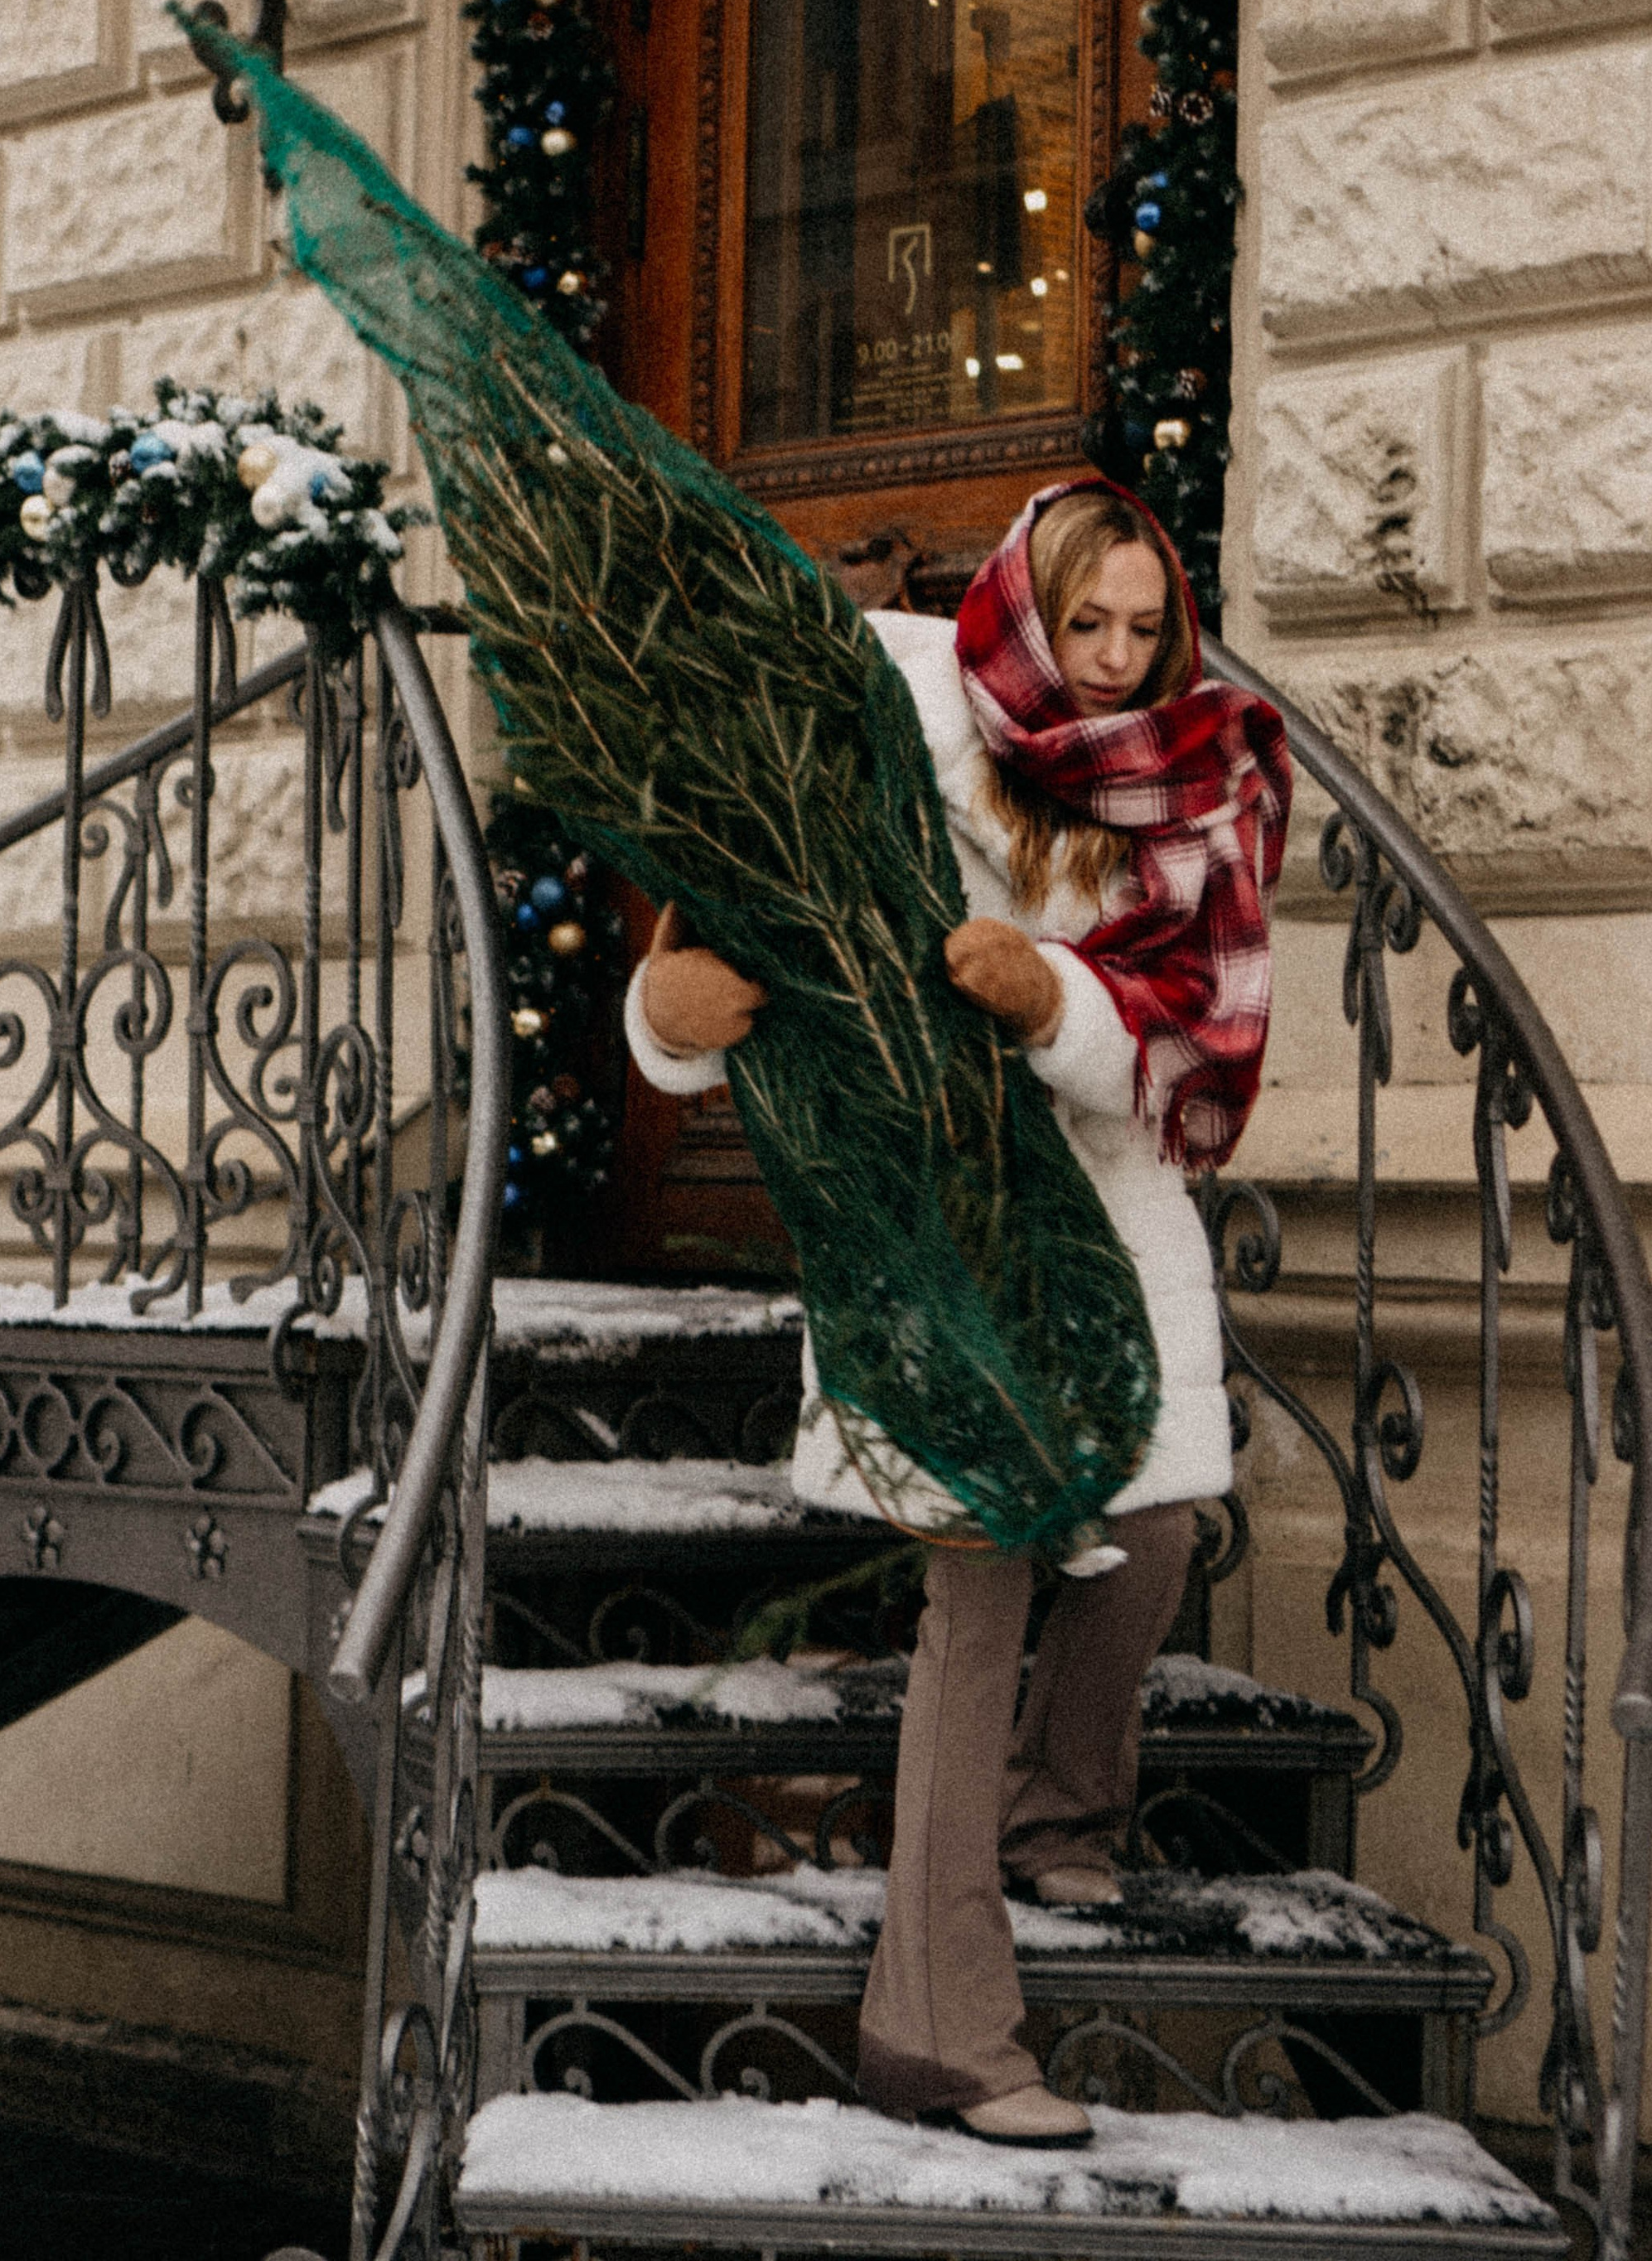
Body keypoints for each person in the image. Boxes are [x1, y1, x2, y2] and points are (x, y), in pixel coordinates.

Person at [625, 476, 1289, 2152]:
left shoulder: (1194, 773)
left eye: (1147, 630)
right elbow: (732, 912)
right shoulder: (895, 716)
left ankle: (1047, 1803)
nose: (1117, 662)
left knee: (1157, 1529)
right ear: (1023, 605)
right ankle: (939, 2028)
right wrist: (663, 1013)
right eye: (1089, 626)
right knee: (977, 1594)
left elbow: (1183, 1029)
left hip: (1106, 1184)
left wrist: (1048, 992)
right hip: (929, 1215)